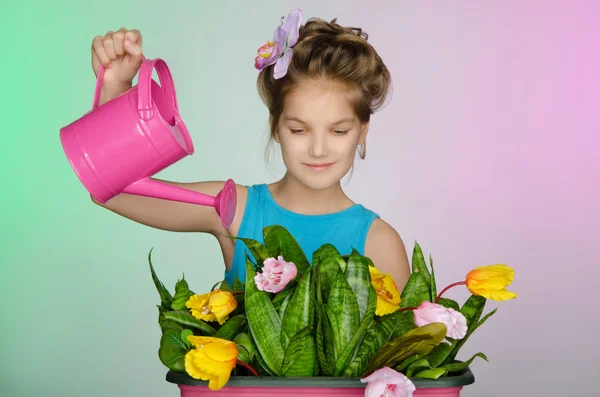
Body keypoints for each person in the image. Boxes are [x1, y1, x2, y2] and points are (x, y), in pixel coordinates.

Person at [88, 9, 411, 290]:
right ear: (276, 127)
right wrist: (115, 88)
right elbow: (111, 190)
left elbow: (406, 358)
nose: (318, 148)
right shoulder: (235, 209)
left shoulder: (381, 243)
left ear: (362, 132)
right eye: (299, 129)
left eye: (339, 131)